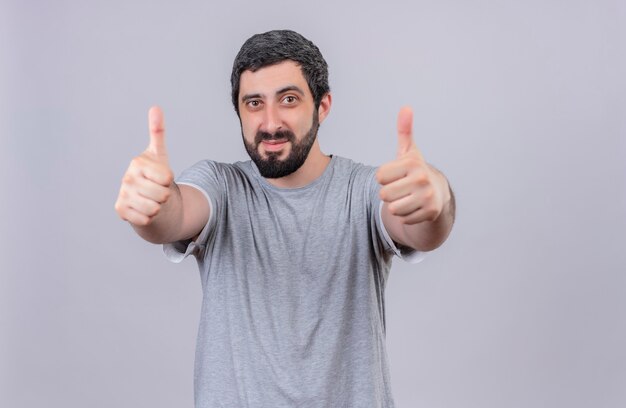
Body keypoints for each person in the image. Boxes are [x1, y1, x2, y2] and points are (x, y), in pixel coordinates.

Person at [115, 29, 455, 407]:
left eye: (289, 99)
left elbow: (420, 227)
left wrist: (437, 199)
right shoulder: (222, 186)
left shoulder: (362, 190)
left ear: (322, 106)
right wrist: (152, 206)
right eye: (254, 103)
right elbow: (174, 215)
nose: (270, 122)